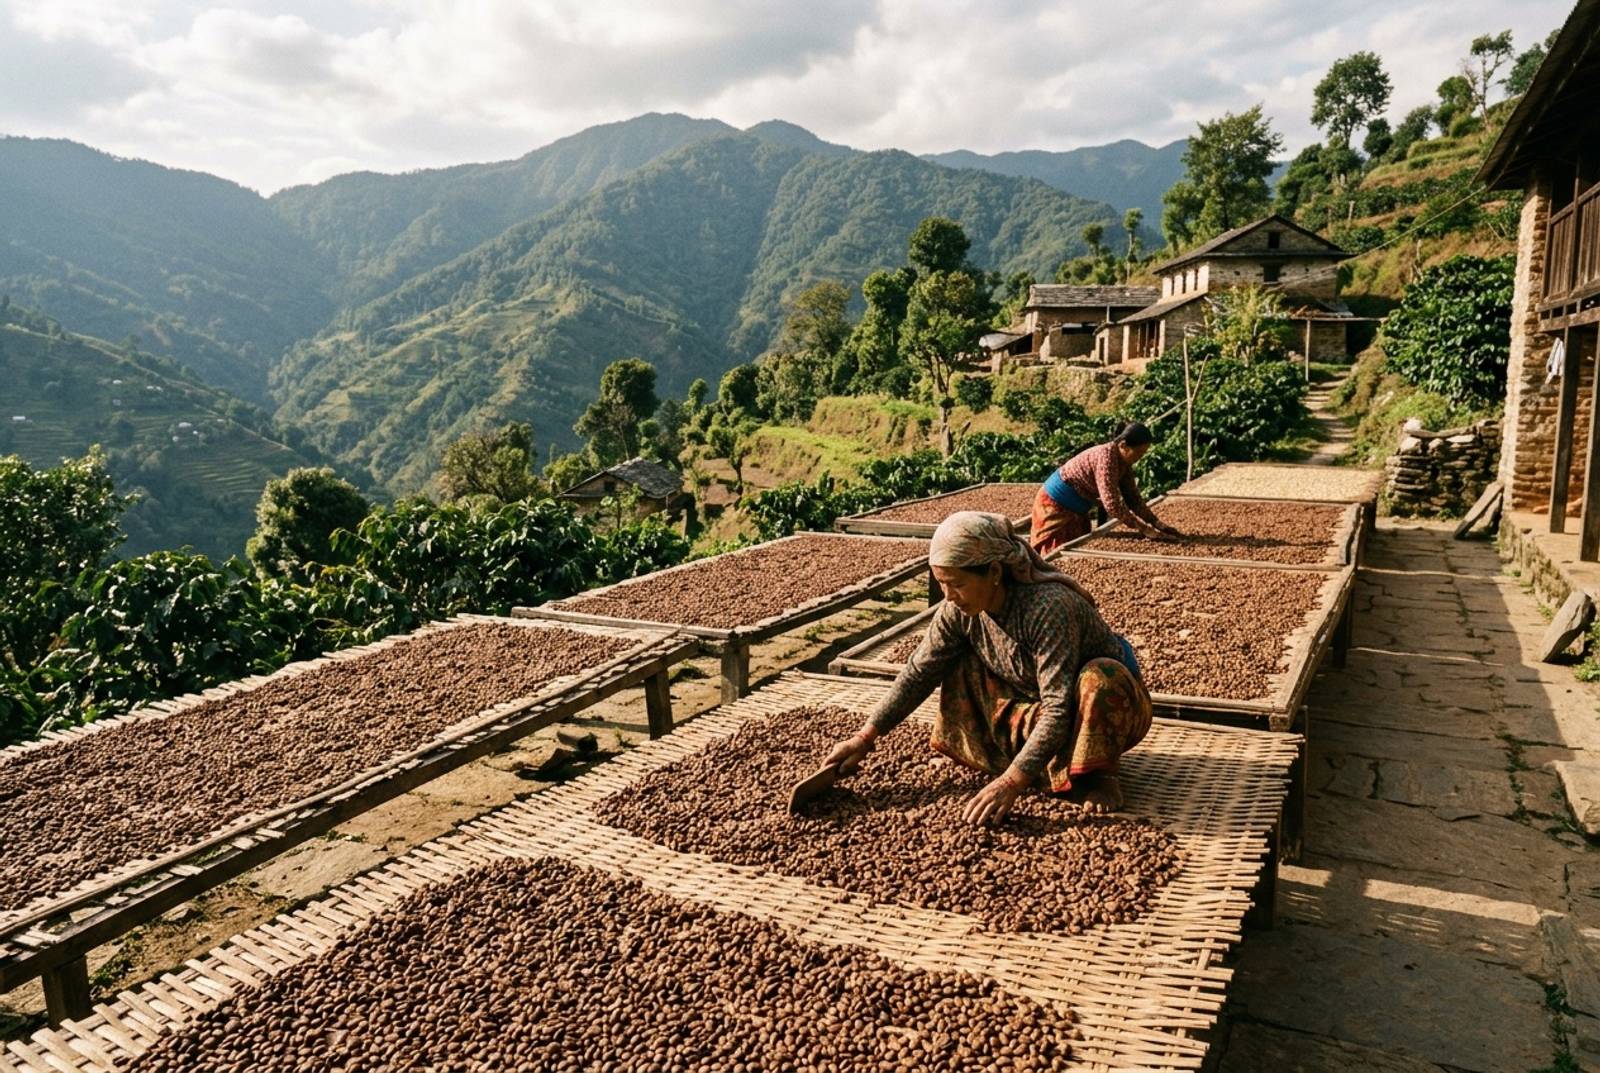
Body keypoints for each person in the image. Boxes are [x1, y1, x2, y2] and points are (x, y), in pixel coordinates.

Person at [823, 511, 1153, 825]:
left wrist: (1012, 783)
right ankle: (1031, 764)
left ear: (994, 572)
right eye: (942, 584)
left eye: (958, 584)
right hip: (1030, 699)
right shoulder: (958, 610)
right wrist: (864, 738)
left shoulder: (1048, 608)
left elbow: (1058, 709)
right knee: (955, 659)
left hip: (1100, 713)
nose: (949, 596)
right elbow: (919, 672)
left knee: (1100, 679)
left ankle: (1101, 773)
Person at [1030, 421, 1181, 556]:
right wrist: (1144, 529)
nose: (1140, 457)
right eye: (1139, 452)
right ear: (1123, 445)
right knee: (1052, 551)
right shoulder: (1106, 458)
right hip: (1055, 504)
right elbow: (1112, 504)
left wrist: (1156, 523)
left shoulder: (1124, 463)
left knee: (1075, 544)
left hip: (1077, 508)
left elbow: (1133, 498)